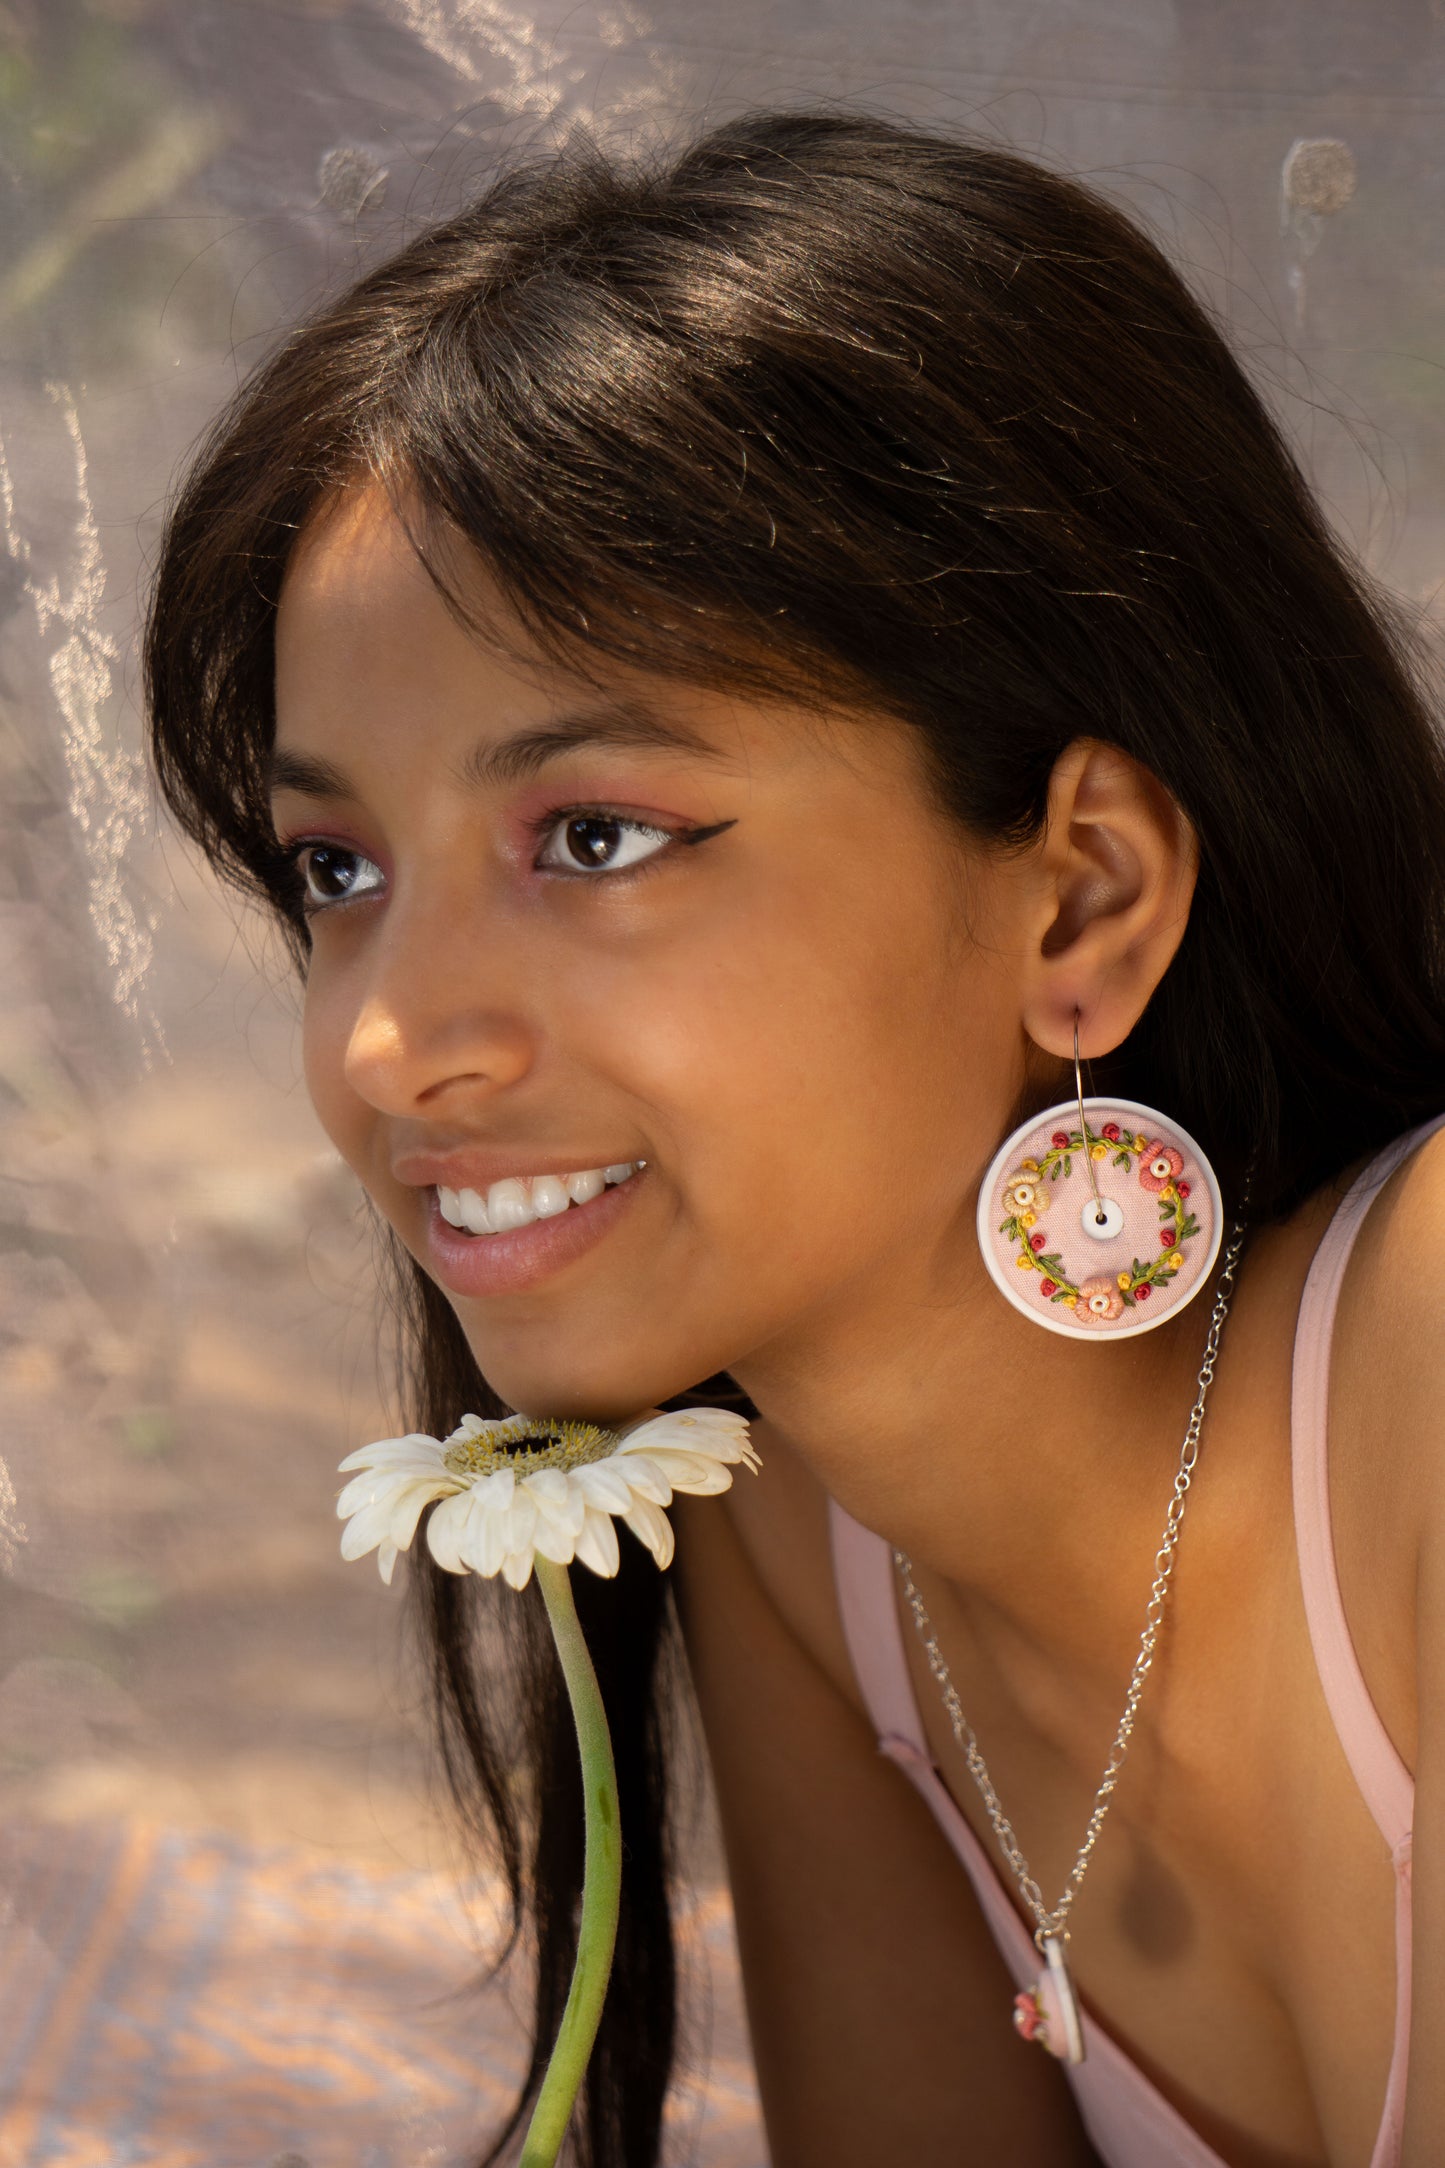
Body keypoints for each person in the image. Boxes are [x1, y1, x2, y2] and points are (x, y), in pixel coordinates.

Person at [143, 109, 1445, 2168]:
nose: (389, 1041)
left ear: (1084, 893)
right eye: (334, 866)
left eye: (594, 835)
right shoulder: (809, 1530)